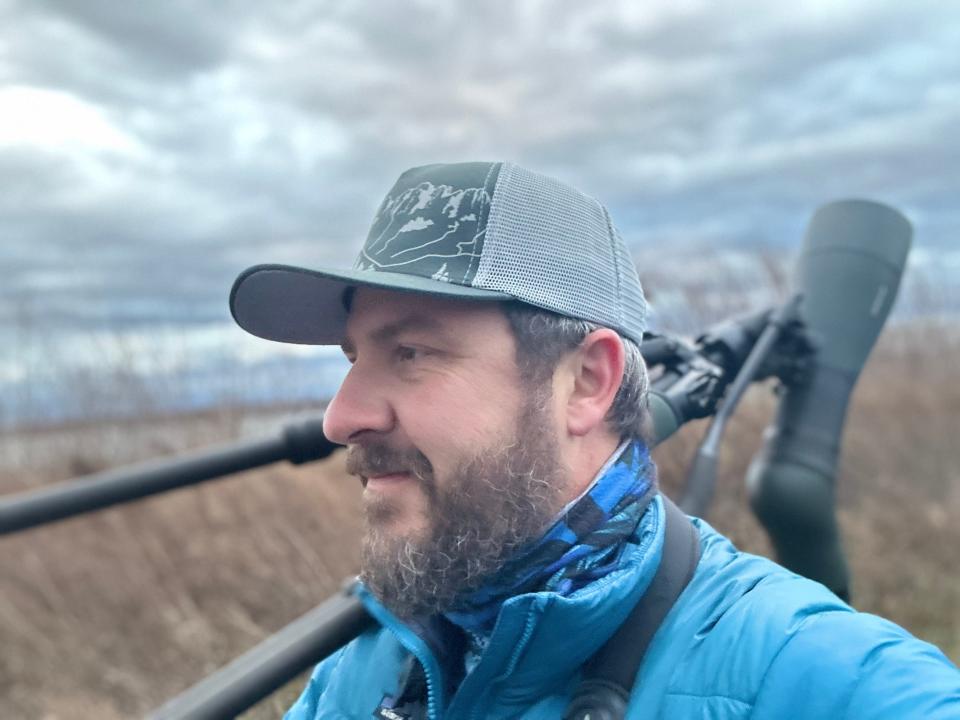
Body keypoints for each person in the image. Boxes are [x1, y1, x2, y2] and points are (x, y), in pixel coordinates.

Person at [230, 162, 960, 719]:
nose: (340, 417)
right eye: (353, 359)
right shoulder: (362, 666)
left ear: (586, 381)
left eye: (411, 353)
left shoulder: (824, 676)